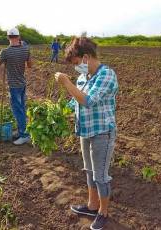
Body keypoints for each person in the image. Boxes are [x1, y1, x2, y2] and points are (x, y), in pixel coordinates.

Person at [54, 36, 118, 230]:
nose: (75, 68)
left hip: (102, 133)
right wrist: (58, 110)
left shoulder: (106, 74)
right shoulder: (84, 77)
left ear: (86, 57)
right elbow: (76, 101)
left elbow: (88, 100)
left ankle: (103, 212)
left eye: (76, 63)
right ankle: (92, 206)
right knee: (89, 171)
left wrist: (66, 82)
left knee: (100, 175)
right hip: (85, 130)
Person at [0, 28, 33, 145]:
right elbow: (30, 65)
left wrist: (3, 55)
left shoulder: (5, 51)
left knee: (18, 110)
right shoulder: (25, 49)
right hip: (22, 83)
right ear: (19, 36)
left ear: (8, 37)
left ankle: (24, 135)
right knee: (21, 108)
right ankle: (21, 131)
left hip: (13, 85)